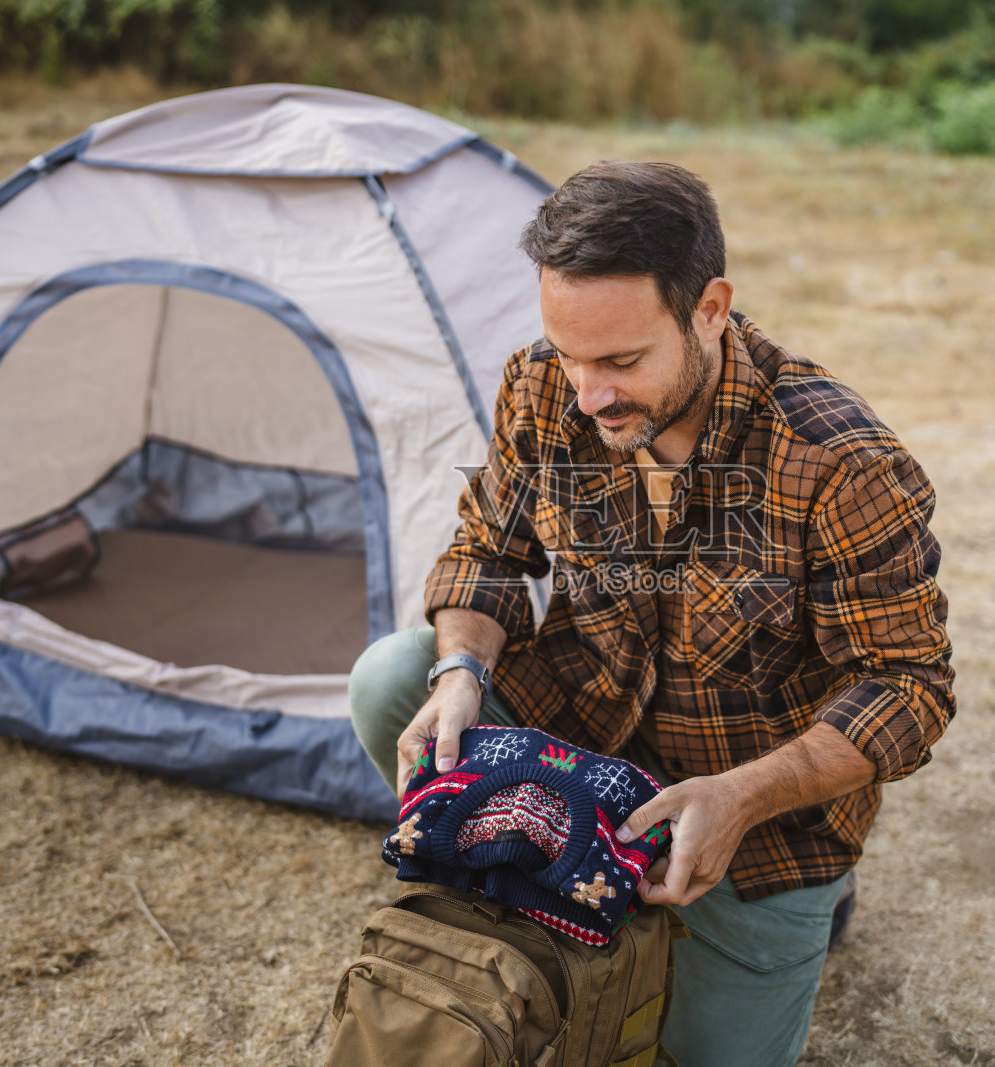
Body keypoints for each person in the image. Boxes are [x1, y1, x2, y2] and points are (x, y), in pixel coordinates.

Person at [349, 160, 954, 1065]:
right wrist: (461, 670)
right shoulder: (542, 387)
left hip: (752, 826)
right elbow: (487, 550)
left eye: (623, 360)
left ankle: (813, 903)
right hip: (584, 740)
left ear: (710, 308)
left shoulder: (842, 461)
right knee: (394, 677)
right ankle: (562, 873)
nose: (588, 394)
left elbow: (910, 686)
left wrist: (743, 797)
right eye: (570, 353)